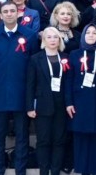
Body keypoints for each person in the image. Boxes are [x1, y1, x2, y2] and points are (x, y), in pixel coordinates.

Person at [0, 1, 37, 175]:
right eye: (5, 11)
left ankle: (20, 171)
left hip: (22, 93)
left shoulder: (29, 36)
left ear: (18, 14)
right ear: (0, 14)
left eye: (12, 11)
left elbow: (33, 65)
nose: (9, 14)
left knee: (22, 137)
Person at [65, 24, 96, 175]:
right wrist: (69, 102)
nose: (91, 35)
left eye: (94, 33)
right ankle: (82, 170)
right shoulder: (74, 54)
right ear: (83, 35)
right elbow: (68, 81)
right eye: (88, 33)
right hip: (79, 102)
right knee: (80, 137)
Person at [26, 29, 69, 175]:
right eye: (49, 37)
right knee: (43, 141)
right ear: (44, 40)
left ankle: (55, 171)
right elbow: (30, 84)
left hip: (61, 105)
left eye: (55, 37)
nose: (52, 40)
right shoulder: (35, 59)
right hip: (42, 105)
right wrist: (30, 106)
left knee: (59, 140)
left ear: (59, 40)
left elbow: (69, 84)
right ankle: (44, 171)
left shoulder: (65, 58)